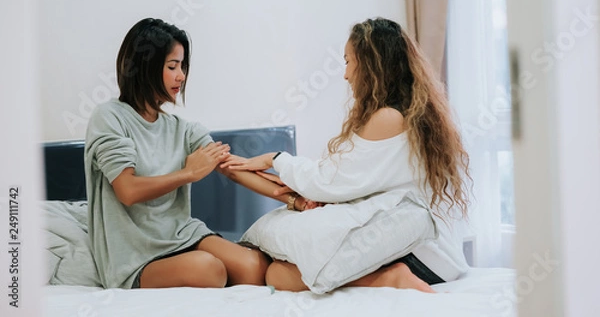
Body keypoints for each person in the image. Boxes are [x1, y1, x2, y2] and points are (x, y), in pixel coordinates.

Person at [222, 17, 472, 293]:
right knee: (278, 271)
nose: (345, 74)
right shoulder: (410, 113)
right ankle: (387, 276)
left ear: (370, 66)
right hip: (432, 251)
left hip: (418, 252)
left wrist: (275, 158)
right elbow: (350, 178)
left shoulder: (388, 117)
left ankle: (390, 278)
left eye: (348, 62)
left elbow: (330, 182)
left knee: (279, 275)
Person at [84, 18, 314, 289]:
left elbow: (232, 169)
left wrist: (296, 199)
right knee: (208, 268)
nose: (181, 75)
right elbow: (128, 190)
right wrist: (187, 173)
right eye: (172, 66)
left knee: (253, 268)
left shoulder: (182, 129)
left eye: (182, 66)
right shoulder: (109, 118)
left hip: (182, 234)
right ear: (145, 66)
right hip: (134, 253)